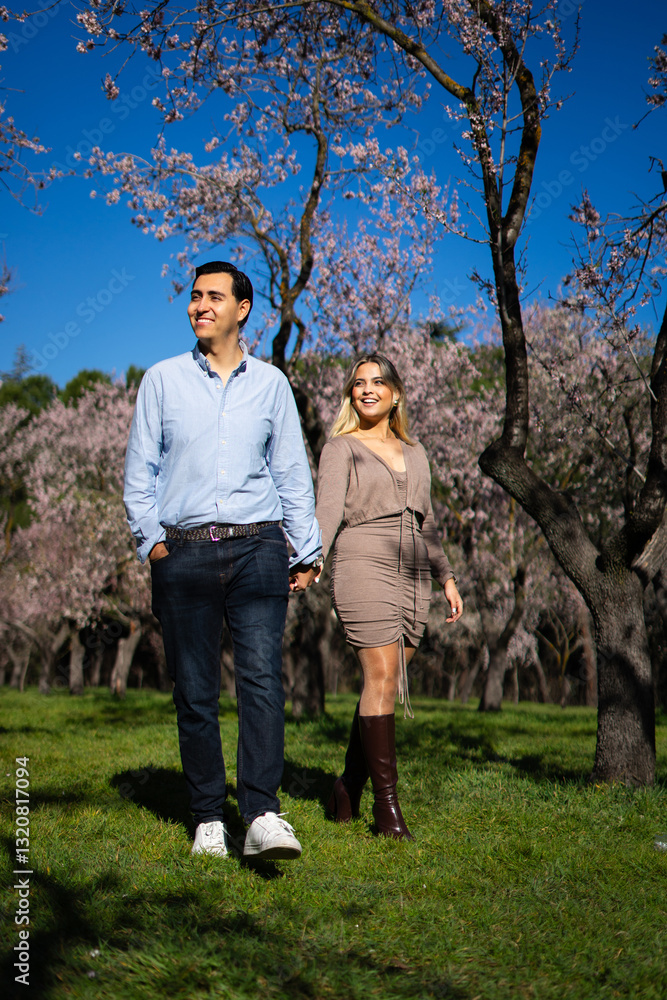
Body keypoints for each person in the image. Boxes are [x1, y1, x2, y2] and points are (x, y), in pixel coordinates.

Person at [124, 260, 322, 860]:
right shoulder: (160, 380)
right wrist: (154, 543)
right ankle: (209, 817)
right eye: (193, 296)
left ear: (242, 309)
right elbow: (140, 475)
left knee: (262, 681)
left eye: (213, 296)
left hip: (258, 547)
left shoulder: (271, 384)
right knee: (195, 690)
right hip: (182, 551)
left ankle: (262, 812)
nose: (199, 305)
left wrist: (306, 546)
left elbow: (291, 470)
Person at [292, 353, 462, 841]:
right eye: (359, 383)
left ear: (396, 393)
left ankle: (347, 785)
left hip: (413, 570)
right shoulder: (340, 448)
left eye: (378, 382)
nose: (367, 390)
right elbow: (326, 513)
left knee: (384, 683)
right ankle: (388, 811)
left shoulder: (417, 452)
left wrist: (446, 577)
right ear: (351, 394)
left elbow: (427, 522)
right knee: (382, 674)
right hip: (362, 556)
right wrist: (312, 562)